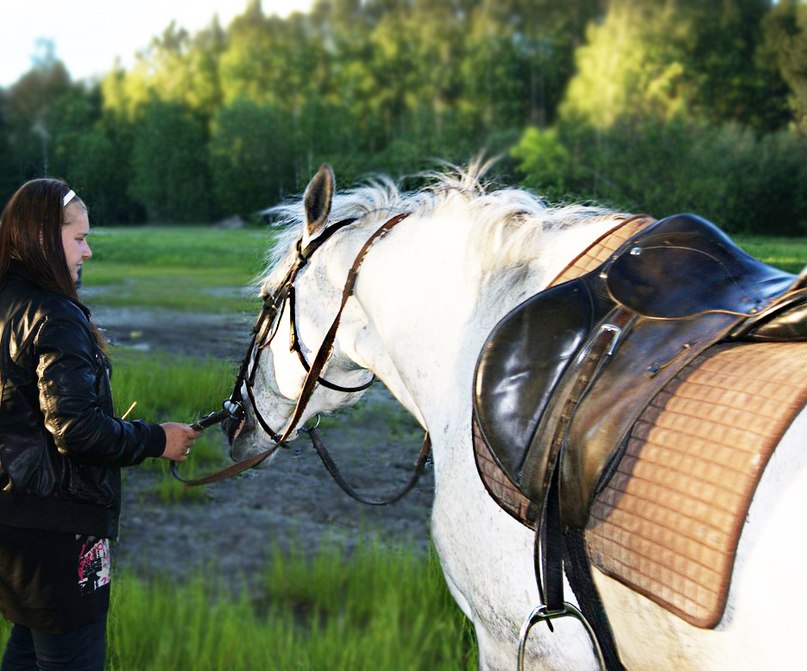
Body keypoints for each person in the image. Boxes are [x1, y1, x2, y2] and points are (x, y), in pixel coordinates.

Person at [0, 178, 198, 670]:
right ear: (45, 237)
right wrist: (158, 439)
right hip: (61, 532)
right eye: (79, 238)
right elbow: (76, 430)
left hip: (14, 529)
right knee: (71, 659)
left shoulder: (6, 302)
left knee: (28, 650)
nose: (87, 251)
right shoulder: (54, 314)